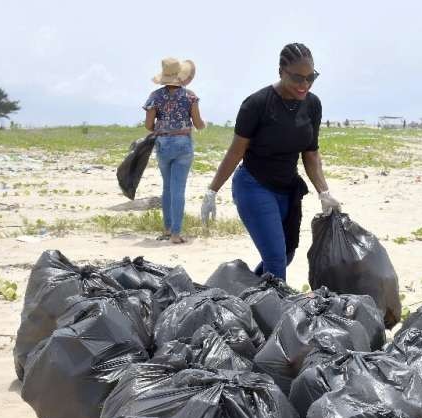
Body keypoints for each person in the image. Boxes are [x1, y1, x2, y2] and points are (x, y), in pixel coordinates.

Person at [200, 43, 340, 280]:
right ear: (281, 72)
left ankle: (246, 294)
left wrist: (324, 192)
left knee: (286, 254)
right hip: (254, 186)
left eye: (311, 78)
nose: (304, 85)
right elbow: (235, 152)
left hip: (287, 189)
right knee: (275, 259)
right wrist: (212, 191)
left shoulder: (313, 104)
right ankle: (277, 314)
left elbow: (311, 154)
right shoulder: (256, 104)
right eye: (297, 78)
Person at [144, 57, 206, 244]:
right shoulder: (190, 96)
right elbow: (198, 123)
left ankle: (168, 228)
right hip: (183, 144)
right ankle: (176, 234)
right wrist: (204, 125)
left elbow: (148, 125)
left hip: (163, 143)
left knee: (167, 187)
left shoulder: (155, 96)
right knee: (179, 189)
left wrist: (163, 126)